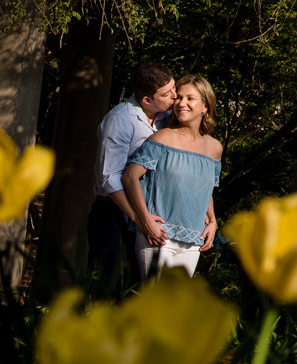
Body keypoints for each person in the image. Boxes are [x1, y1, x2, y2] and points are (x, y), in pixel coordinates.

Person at [122, 74, 222, 278]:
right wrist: (145, 221)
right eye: (179, 97)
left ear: (205, 106)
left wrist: (213, 221)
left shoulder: (214, 148)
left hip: (193, 240)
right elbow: (130, 177)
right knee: (154, 305)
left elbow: (205, 188)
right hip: (159, 236)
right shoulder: (163, 137)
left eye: (190, 98)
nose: (181, 103)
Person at [88, 63, 176, 292]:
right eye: (167, 94)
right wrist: (140, 220)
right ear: (147, 100)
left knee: (139, 290)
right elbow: (110, 179)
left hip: (150, 213)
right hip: (115, 214)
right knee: (111, 288)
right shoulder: (120, 120)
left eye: (173, 88)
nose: (174, 97)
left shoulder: (164, 117)